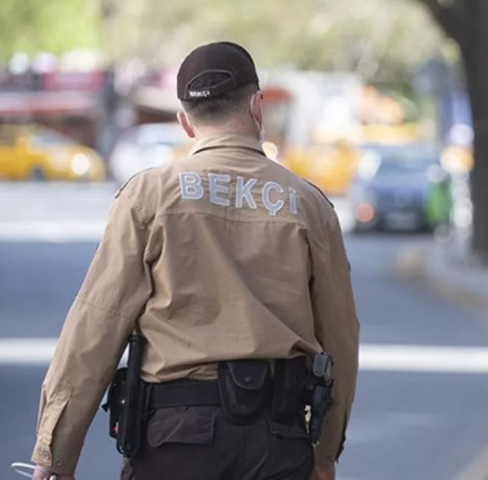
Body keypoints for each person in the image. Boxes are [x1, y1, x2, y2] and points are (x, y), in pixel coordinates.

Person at [30, 41, 360, 480]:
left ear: (185, 122)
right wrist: (324, 454)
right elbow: (339, 336)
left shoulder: (148, 197)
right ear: (257, 106)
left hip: (175, 441)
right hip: (277, 443)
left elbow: (98, 323)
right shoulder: (309, 206)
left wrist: (56, 453)